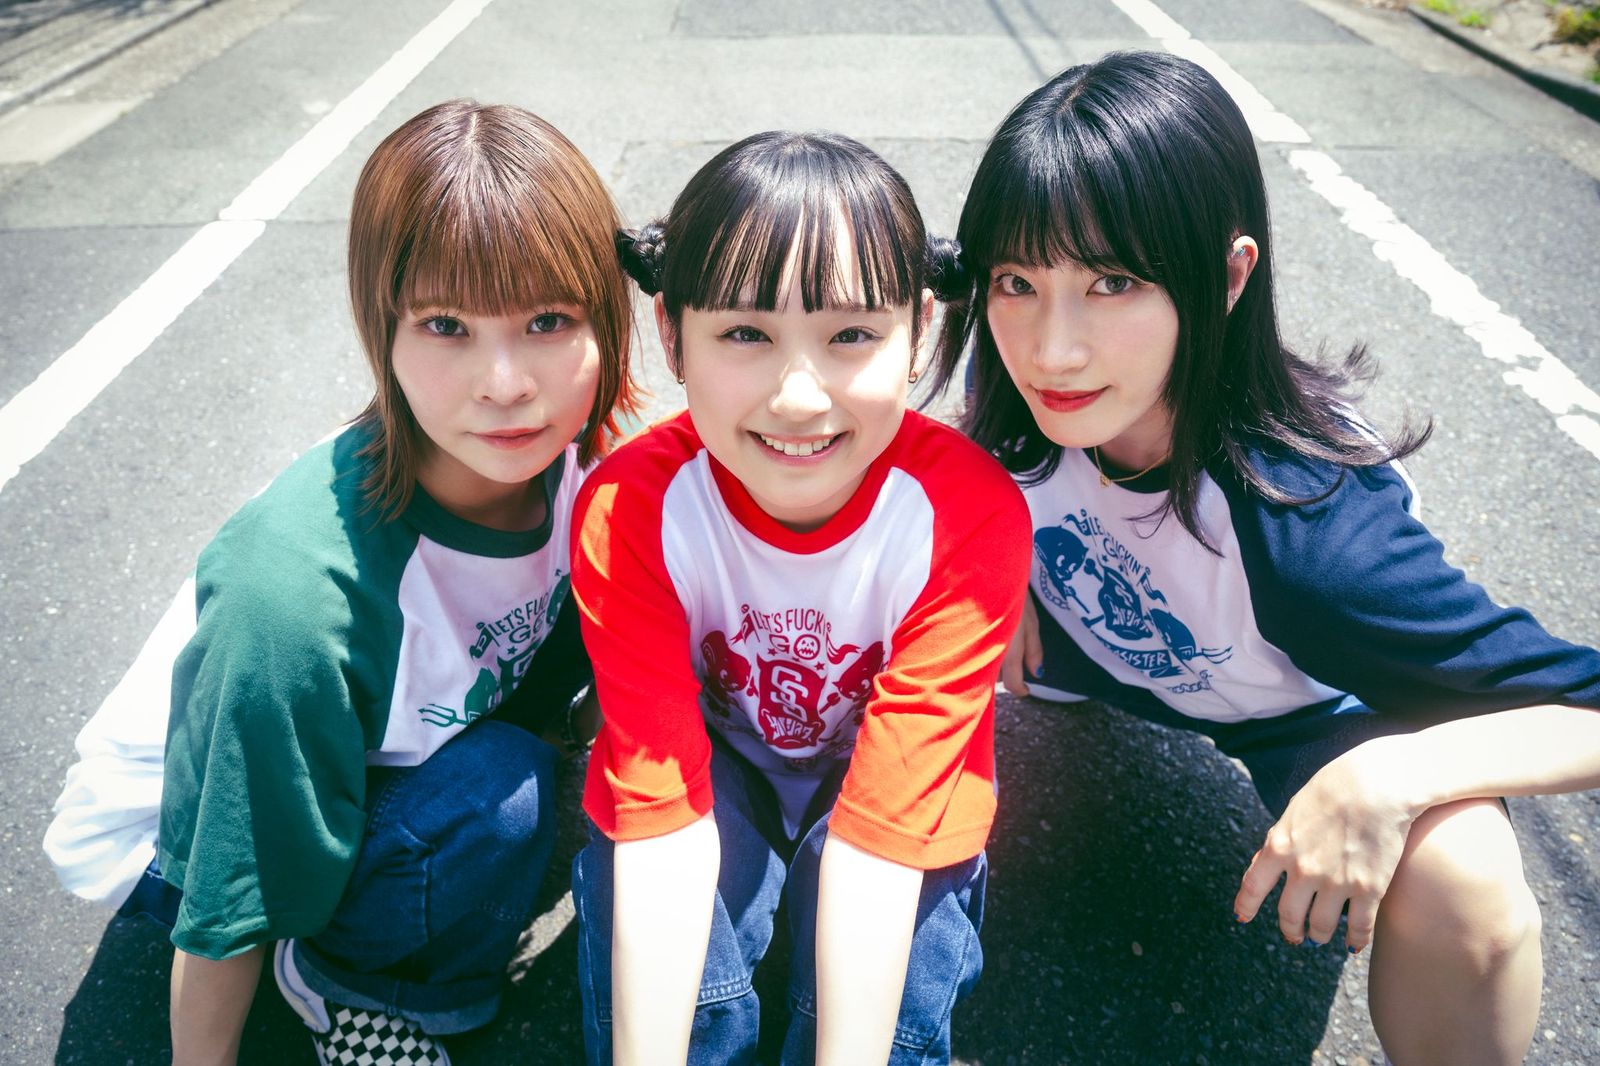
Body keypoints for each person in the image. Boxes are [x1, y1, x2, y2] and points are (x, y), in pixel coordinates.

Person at [931, 50, 1600, 1065]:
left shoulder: (1317, 543)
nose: (1051, 348)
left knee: (1464, 884)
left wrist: (1396, 773)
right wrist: (985, 546)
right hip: (1104, 652)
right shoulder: (1020, 381)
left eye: (1113, 281)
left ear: (1229, 276)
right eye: (1016, 280)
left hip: (1302, 710)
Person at [45, 99, 634, 1066]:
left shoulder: (573, 460)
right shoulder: (297, 602)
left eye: (547, 320)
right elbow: (228, 881)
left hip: (351, 746)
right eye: (445, 325)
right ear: (381, 331)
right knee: (507, 796)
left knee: (574, 771)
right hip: (185, 842)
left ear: (606, 319)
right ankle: (343, 981)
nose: (505, 382)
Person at [570, 130, 1030, 1065]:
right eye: (745, 334)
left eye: (851, 335)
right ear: (672, 334)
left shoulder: (966, 516)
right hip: (715, 770)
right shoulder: (630, 510)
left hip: (895, 785)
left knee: (889, 996)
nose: (797, 398)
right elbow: (661, 820)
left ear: (920, 333)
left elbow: (885, 835)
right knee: (673, 985)